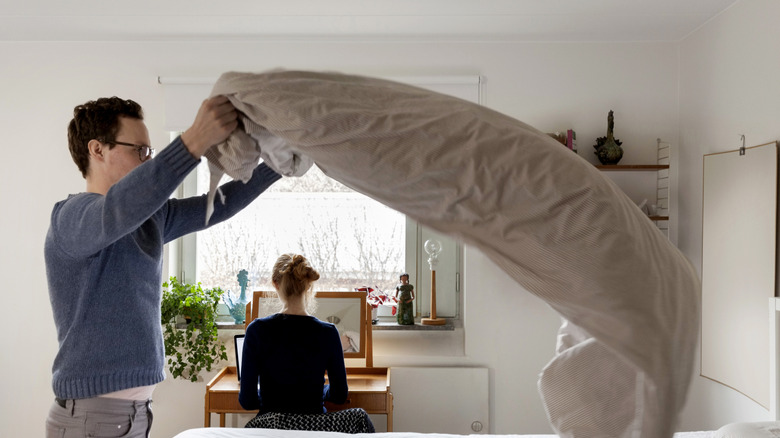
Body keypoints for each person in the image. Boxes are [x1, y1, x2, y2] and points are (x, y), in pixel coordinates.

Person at [44, 95, 281, 438]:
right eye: (139, 150)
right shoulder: (72, 218)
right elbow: (120, 208)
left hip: (134, 415)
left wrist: (275, 167)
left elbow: (218, 206)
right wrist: (193, 141)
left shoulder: (149, 218)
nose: (147, 160)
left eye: (150, 152)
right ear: (97, 150)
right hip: (90, 419)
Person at [239, 254, 373, 433]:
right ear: (309, 286)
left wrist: (272, 396)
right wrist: (321, 391)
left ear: (275, 284)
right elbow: (340, 395)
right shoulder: (328, 332)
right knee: (360, 418)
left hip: (270, 427)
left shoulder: (256, 330)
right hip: (313, 428)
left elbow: (248, 402)